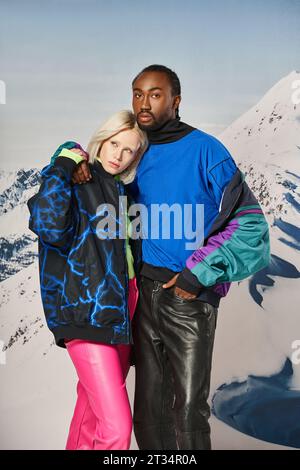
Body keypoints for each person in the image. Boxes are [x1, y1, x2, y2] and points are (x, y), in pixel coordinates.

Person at [60, 65, 271, 450]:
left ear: (176, 101)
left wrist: (198, 276)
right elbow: (97, 174)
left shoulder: (207, 151)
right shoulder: (134, 151)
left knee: (188, 412)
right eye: (137, 94)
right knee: (147, 416)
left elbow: (253, 229)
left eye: (155, 94)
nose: (144, 103)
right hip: (139, 298)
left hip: (187, 297)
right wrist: (73, 162)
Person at [27, 110, 148, 450]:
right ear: (101, 139)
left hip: (122, 315)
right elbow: (48, 224)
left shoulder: (123, 192)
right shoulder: (78, 179)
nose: (118, 155)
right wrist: (65, 160)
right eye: (114, 144)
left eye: (129, 151)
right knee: (117, 427)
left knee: (91, 415)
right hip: (86, 316)